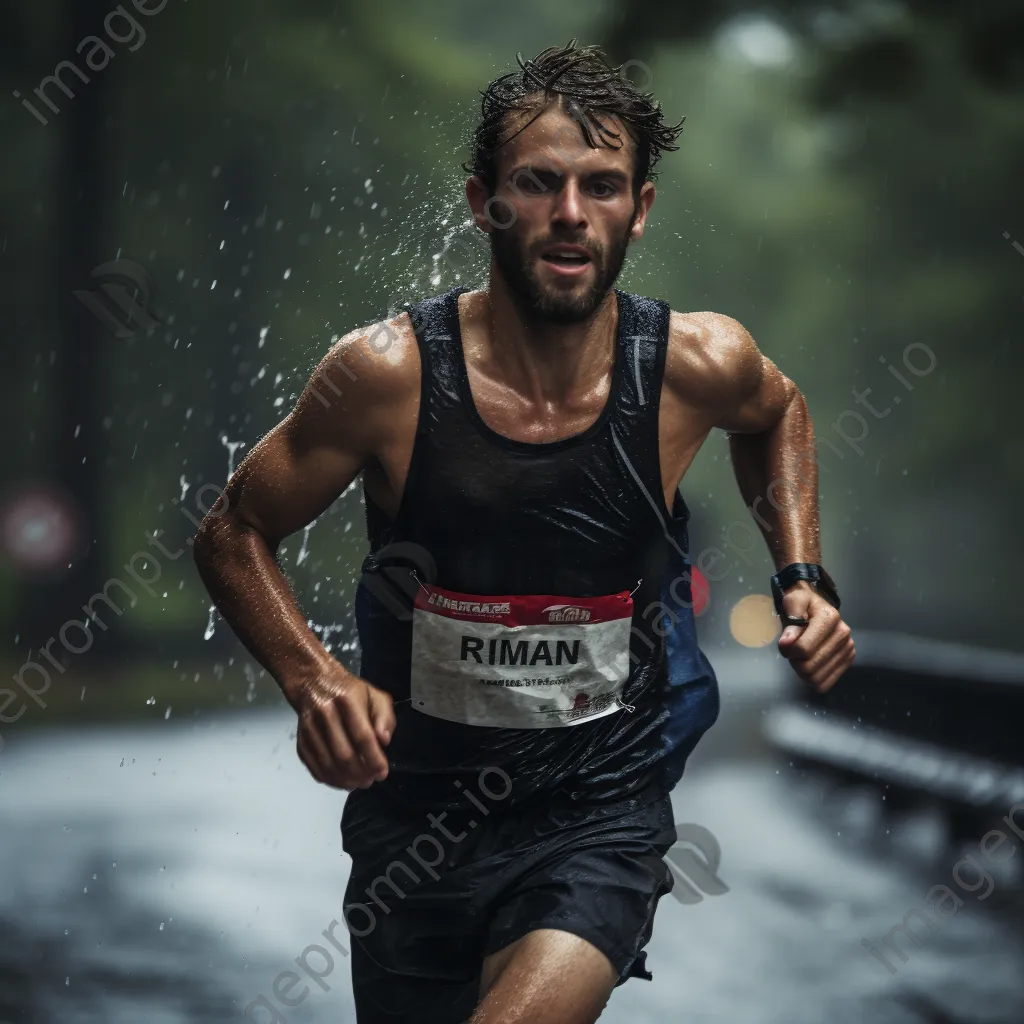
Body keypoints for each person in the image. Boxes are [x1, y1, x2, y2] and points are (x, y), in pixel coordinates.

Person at [193, 39, 855, 1024]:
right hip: (413, 828)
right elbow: (234, 528)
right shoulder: (384, 376)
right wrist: (314, 678)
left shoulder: (691, 363)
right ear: (481, 201)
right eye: (538, 183)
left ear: (641, 207)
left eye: (602, 185)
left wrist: (800, 572)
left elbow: (778, 412)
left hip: (601, 814)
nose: (571, 215)